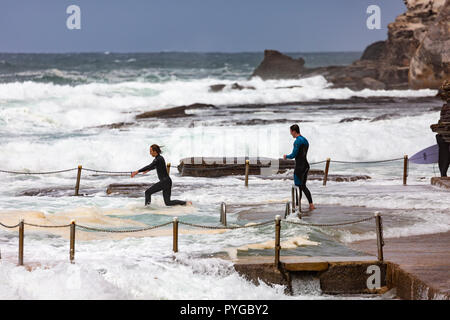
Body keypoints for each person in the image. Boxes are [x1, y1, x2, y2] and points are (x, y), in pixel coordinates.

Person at [283, 124, 315, 211]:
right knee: (303, 186)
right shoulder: (305, 140)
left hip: (299, 167)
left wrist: (286, 156)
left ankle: (297, 206)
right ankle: (311, 205)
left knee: (297, 186)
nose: (290, 134)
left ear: (294, 131)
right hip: (306, 166)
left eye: (291, 132)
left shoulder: (297, 141)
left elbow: (293, 155)